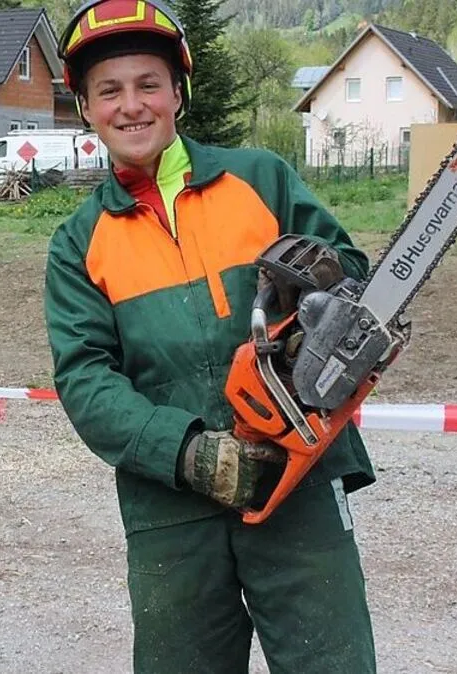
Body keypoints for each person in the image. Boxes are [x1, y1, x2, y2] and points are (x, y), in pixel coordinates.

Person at [44, 1, 379, 672]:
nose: (131, 105)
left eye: (148, 85)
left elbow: (357, 286)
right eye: (109, 91)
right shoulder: (79, 243)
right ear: (85, 108)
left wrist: (322, 292)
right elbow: (85, 378)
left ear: (177, 94)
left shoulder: (258, 178)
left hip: (300, 479)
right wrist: (188, 451)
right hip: (171, 505)